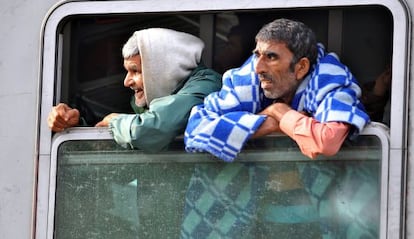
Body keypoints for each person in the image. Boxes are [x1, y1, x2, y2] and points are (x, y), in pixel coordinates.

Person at [184, 18, 370, 162]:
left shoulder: (329, 78)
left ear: (301, 68)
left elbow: (326, 141)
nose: (259, 68)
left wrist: (280, 112)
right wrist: (274, 119)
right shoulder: (247, 78)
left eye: (271, 57)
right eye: (257, 55)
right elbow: (197, 130)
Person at [48, 28, 222, 152]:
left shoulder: (206, 85)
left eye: (136, 71)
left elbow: (150, 131)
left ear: (164, 68)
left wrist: (115, 122)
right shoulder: (150, 102)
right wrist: (72, 125)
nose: (126, 82)